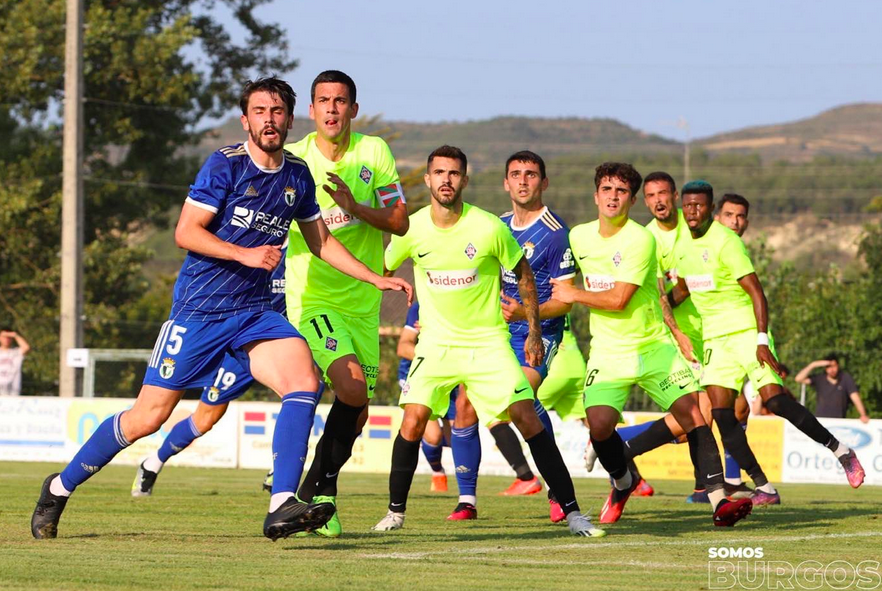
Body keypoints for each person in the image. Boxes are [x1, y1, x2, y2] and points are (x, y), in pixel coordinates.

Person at [31, 76, 411, 541]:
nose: (269, 120)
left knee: (304, 381)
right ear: (245, 119)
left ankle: (280, 506)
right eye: (259, 112)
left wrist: (374, 277)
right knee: (147, 417)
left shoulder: (296, 175)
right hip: (201, 311)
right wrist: (245, 254)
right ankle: (58, 487)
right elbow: (186, 232)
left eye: (276, 112)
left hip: (255, 313)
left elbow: (322, 241)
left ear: (290, 120)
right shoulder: (224, 165)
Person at [373, 145, 604, 537]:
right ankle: (395, 513)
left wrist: (532, 328)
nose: (446, 179)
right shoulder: (411, 228)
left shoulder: (488, 227)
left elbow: (525, 274)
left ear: (465, 179)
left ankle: (573, 512)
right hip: (437, 346)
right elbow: (382, 264)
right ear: (428, 179)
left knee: (526, 416)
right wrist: (379, 282)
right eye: (439, 172)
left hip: (487, 344)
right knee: (412, 420)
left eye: (454, 173)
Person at [551, 163, 751, 527]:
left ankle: (719, 501)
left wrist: (575, 293)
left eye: (621, 191)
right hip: (609, 352)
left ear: (631, 199)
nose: (613, 196)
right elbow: (557, 281)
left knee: (695, 415)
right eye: (607, 189)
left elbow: (619, 299)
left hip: (653, 348)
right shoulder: (577, 237)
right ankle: (624, 481)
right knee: (598, 427)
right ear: (596, 196)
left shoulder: (640, 239)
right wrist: (524, 312)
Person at [670, 181, 865, 492]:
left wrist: (762, 340)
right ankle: (762, 486)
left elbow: (757, 292)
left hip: (747, 332)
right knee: (721, 414)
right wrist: (660, 305)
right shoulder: (680, 246)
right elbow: (682, 288)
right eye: (689, 205)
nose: (693, 211)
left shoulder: (727, 242)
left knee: (776, 401)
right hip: (715, 342)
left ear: (711, 210)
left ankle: (841, 451)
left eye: (700, 205)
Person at [283, 70, 410, 538]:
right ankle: (315, 494)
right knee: (352, 388)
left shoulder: (374, 152)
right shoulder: (293, 160)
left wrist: (355, 207)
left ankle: (319, 496)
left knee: (357, 413)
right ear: (311, 111)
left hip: (363, 305)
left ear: (353, 109)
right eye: (323, 101)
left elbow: (398, 221)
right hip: (312, 298)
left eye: (340, 101)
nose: (332, 109)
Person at [129, 245, 324, 498]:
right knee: (205, 419)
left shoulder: (310, 249)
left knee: (307, 391)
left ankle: (280, 473)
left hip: (279, 345)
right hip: (242, 342)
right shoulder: (260, 245)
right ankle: (152, 463)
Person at [451, 150, 576, 523]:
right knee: (464, 404)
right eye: (516, 174)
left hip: (539, 332)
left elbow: (564, 301)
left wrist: (526, 316)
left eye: (532, 174)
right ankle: (467, 500)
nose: (523, 180)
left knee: (520, 396)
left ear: (544, 182)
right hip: (496, 332)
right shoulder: (497, 226)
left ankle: (556, 488)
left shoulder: (556, 234)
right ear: (505, 183)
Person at [397, 301, 457, 493]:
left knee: (457, 435)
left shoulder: (463, 303)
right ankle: (438, 472)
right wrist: (434, 357)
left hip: (453, 373)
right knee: (433, 435)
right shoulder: (420, 307)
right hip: (418, 374)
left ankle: (466, 494)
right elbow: (403, 347)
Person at [795, 354, 870, 423]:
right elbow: (798, 379)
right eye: (828, 367)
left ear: (838, 365)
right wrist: (813, 365)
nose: (832, 369)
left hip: (838, 422)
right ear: (825, 368)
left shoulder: (845, 378)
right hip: (821, 422)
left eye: (834, 366)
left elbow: (855, 397)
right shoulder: (819, 378)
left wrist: (863, 414)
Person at [0, 329, 30, 396]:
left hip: (12, 391)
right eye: (4, 337)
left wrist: (15, 335)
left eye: (9, 338)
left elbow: (26, 348)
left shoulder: (16, 352)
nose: (6, 339)